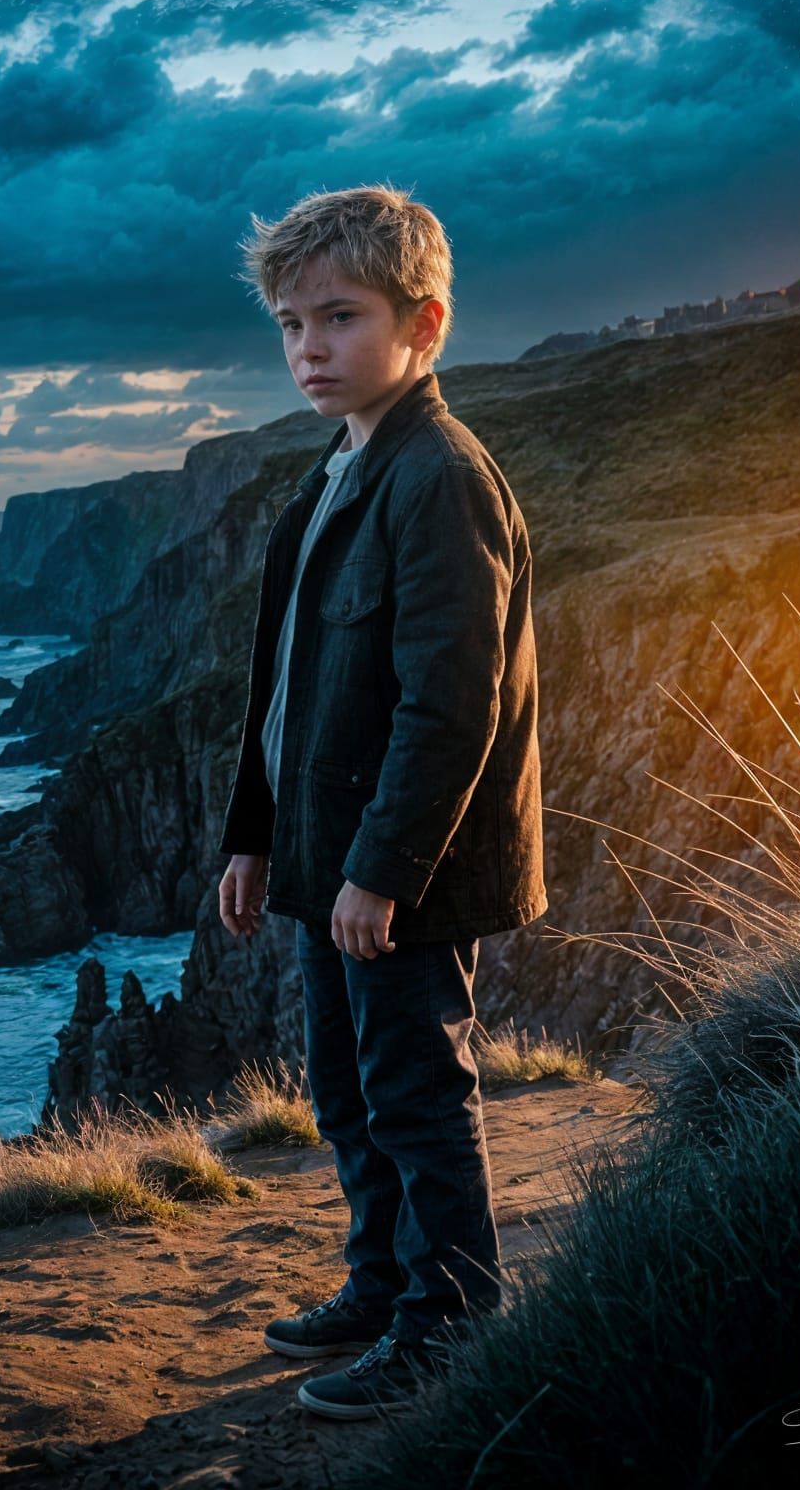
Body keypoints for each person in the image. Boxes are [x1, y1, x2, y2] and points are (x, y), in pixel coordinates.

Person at [215, 184, 546, 1421]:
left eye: (341, 319)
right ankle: (379, 1284)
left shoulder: (438, 476)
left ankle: (452, 1322)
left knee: (414, 1086)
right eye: (293, 325)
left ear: (425, 322)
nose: (310, 349)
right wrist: (255, 838)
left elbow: (448, 705)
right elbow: (286, 684)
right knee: (346, 1089)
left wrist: (385, 869)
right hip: (327, 858)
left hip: (401, 870)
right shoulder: (338, 469)